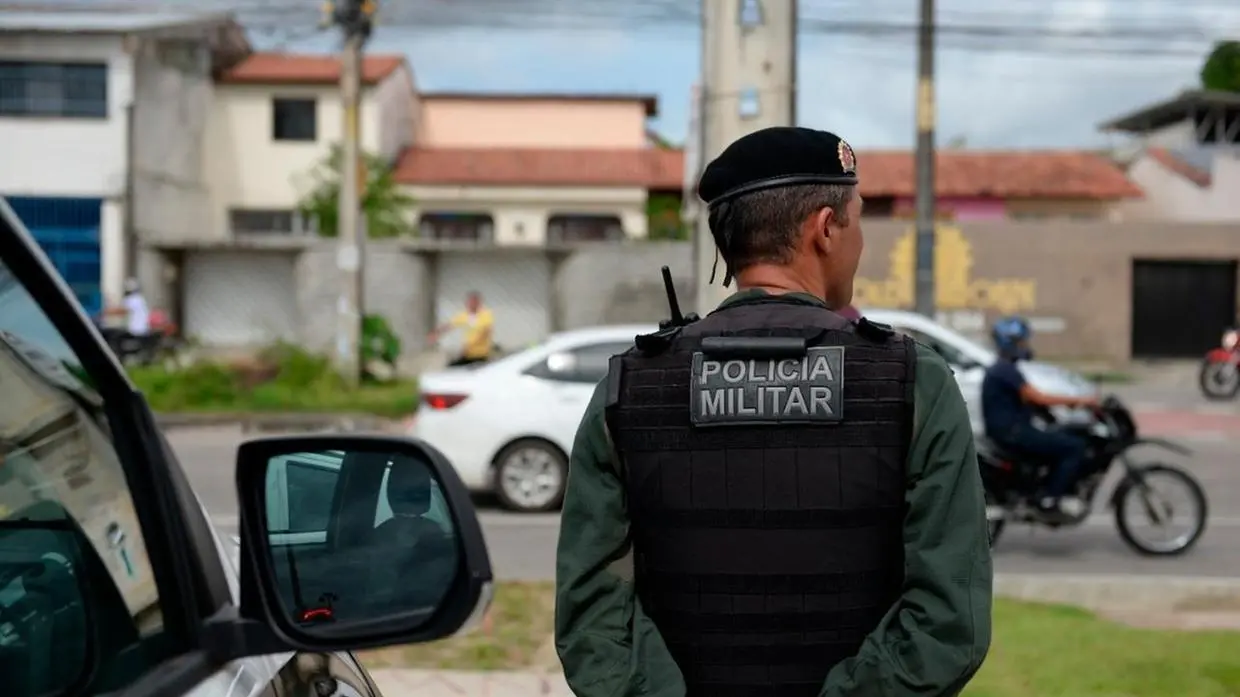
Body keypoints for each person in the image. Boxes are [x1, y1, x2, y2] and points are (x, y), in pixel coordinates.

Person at [555, 127, 992, 697]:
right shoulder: (913, 380)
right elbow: (947, 619)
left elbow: (592, 616)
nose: (859, 243)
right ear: (826, 230)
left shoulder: (633, 385)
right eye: (855, 221)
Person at [981, 316, 1098, 519]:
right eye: (1022, 342)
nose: (1026, 346)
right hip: (1013, 433)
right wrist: (1081, 400)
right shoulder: (1004, 370)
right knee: (1074, 447)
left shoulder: (1005, 369)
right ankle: (1050, 498)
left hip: (1013, 430)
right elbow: (1037, 397)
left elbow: (1030, 402)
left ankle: (1045, 488)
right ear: (1011, 343)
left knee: (1062, 436)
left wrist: (1055, 413)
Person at [428, 291, 495, 366]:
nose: (470, 304)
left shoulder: (485, 314)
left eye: (473, 302)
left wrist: (470, 345)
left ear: (478, 303)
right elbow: (450, 325)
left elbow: (486, 332)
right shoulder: (465, 315)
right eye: (469, 302)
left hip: (480, 354)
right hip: (468, 353)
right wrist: (436, 333)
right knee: (453, 367)